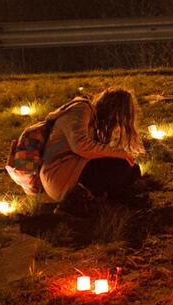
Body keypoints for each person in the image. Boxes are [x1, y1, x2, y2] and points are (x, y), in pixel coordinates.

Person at [39, 87, 146, 217]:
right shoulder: (81, 109)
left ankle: (112, 202)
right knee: (120, 166)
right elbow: (80, 146)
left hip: (73, 171)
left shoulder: (93, 121)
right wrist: (120, 153)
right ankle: (72, 203)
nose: (117, 121)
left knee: (133, 170)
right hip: (59, 175)